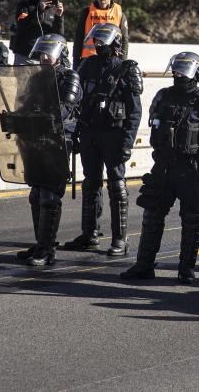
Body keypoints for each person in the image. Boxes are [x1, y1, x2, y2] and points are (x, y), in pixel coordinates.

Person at [121, 52, 199, 283]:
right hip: (163, 166)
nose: (178, 74)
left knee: (191, 220)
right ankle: (144, 265)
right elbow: (153, 127)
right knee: (152, 216)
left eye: (183, 69)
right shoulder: (163, 96)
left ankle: (186, 269)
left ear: (196, 72)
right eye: (176, 69)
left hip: (190, 168)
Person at [62, 23, 142, 256]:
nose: (98, 45)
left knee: (117, 185)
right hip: (90, 133)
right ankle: (90, 234)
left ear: (114, 43)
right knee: (90, 183)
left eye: (102, 42)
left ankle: (120, 239)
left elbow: (135, 112)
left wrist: (127, 142)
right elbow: (77, 103)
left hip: (114, 134)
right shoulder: (87, 65)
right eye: (96, 41)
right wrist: (75, 131)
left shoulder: (127, 70)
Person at [15, 35, 81, 266]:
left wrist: (38, 118)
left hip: (59, 141)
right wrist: (17, 117)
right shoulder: (36, 77)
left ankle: (47, 251)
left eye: (48, 52)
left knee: (49, 196)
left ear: (60, 54)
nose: (44, 56)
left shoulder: (69, 77)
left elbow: (63, 111)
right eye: (41, 52)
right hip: (36, 139)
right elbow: (24, 102)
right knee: (36, 195)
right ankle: (41, 244)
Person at [72, 0, 128, 69]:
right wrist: (76, 61)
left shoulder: (120, 14)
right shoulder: (86, 12)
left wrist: (123, 61)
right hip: (89, 60)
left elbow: (124, 39)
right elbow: (78, 37)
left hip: (111, 61)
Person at [10, 0, 64, 66]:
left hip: (46, 57)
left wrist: (59, 17)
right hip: (25, 54)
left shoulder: (54, 9)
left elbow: (59, 35)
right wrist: (39, 10)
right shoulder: (25, 5)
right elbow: (21, 25)